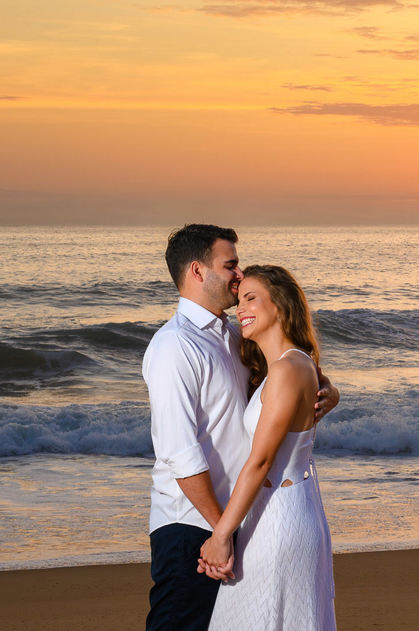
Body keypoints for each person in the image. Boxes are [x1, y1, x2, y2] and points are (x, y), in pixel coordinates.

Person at [142, 225, 338, 631]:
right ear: (197, 271)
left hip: (240, 521)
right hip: (192, 526)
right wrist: (220, 531)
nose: (237, 274)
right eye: (229, 265)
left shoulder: (236, 335)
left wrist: (329, 390)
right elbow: (181, 456)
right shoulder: (174, 347)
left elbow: (294, 372)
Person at [199, 265, 337, 630]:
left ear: (280, 306)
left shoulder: (288, 369)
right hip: (282, 510)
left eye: (251, 298)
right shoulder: (293, 365)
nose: (239, 308)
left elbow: (260, 462)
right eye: (238, 300)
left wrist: (219, 536)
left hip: (279, 519)